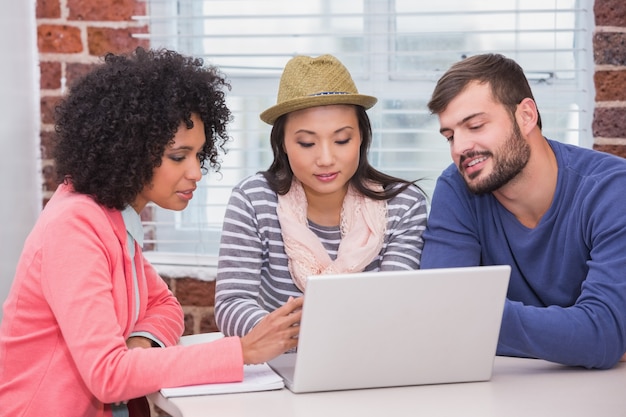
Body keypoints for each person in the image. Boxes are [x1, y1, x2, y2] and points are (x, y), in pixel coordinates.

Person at [0, 47, 303, 417]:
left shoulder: (113, 217)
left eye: (199, 154)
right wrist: (242, 351)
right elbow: (108, 376)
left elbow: (165, 305)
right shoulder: (74, 227)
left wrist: (138, 345)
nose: (196, 172)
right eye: (179, 156)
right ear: (129, 151)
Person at [420, 52, 626, 369]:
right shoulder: (457, 188)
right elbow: (438, 318)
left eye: (474, 125)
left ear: (526, 116)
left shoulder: (611, 190)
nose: (459, 148)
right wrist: (578, 340)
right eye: (450, 136)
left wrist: (473, 318)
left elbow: (603, 336)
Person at [214, 54, 428, 337]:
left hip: (375, 361)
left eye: (342, 140)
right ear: (283, 144)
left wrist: (310, 328)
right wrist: (303, 337)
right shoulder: (253, 200)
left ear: (362, 138)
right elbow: (231, 304)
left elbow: (394, 307)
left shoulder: (404, 205)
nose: (326, 158)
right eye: (307, 143)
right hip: (283, 364)